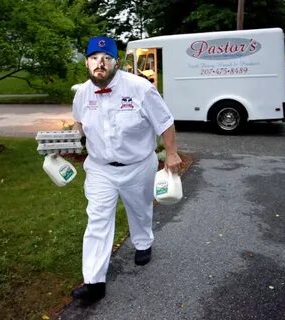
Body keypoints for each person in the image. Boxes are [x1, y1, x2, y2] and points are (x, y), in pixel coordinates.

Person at [71, 35, 182, 304]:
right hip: (100, 169)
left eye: (106, 58)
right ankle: (94, 283)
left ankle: (143, 244)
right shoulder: (82, 94)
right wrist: (70, 142)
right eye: (94, 59)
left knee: (140, 209)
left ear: (116, 63)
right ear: (86, 63)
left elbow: (165, 122)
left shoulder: (140, 89)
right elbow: (79, 124)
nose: (100, 63)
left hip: (137, 167)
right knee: (97, 220)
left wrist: (171, 151)